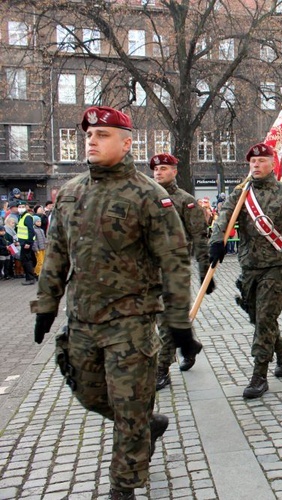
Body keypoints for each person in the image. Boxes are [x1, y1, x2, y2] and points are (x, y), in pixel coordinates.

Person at [32, 105, 202, 500]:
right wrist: (46, 305)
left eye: (102, 135)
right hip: (83, 321)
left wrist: (179, 321)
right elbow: (56, 253)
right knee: (89, 394)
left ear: (126, 144)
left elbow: (174, 261)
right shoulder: (72, 193)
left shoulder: (149, 196)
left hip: (132, 323)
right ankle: (147, 423)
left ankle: (123, 488)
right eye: (88, 134)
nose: (91, 140)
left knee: (128, 415)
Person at [209, 142, 282, 400]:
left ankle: (259, 375)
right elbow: (223, 219)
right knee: (259, 319)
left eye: (261, 161)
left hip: (275, 266)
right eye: (252, 162)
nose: (256, 165)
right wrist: (217, 242)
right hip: (248, 266)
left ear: (273, 163)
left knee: (264, 320)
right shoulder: (241, 194)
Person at [150, 153, 213, 391]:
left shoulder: (185, 200)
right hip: (149, 269)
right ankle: (189, 344)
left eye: (164, 168)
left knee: (166, 322)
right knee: (160, 319)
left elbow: (199, 235)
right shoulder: (145, 197)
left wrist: (204, 267)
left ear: (175, 171)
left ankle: (162, 369)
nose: (158, 173)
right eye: (156, 169)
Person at [16, 200, 37, 285]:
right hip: (23, 241)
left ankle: (30, 278)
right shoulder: (21, 216)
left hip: (26, 242)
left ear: (26, 207)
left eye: (22, 207)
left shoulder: (27, 217)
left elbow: (30, 230)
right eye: (19, 207)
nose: (21, 208)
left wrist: (28, 242)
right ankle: (30, 277)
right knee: (28, 259)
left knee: (26, 260)